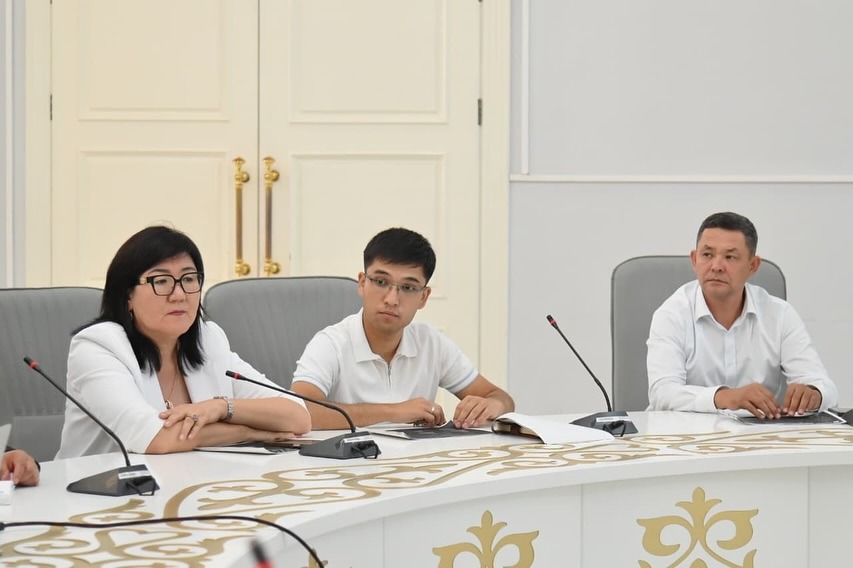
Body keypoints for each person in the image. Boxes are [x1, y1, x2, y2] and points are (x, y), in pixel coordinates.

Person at [56, 226, 311, 458]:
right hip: (98, 488)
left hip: (186, 483)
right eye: (161, 281)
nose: (178, 295)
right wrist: (247, 432)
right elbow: (156, 439)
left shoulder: (208, 339)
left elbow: (298, 417)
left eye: (188, 279)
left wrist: (221, 408)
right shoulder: (97, 346)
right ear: (127, 295)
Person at [291, 228, 514, 430]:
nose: (392, 299)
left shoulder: (431, 343)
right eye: (381, 282)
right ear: (362, 283)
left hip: (415, 460)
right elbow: (298, 411)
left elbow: (501, 398)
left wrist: (490, 406)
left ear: (423, 297)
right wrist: (393, 412)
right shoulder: (331, 343)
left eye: (408, 287)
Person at [647, 212, 837, 418]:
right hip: (688, 433)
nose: (716, 266)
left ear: (752, 266)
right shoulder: (671, 315)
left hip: (759, 434)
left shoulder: (780, 315)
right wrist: (724, 397)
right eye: (707, 255)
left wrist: (814, 393)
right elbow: (662, 393)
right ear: (694, 259)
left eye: (730, 257)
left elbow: (825, 387)